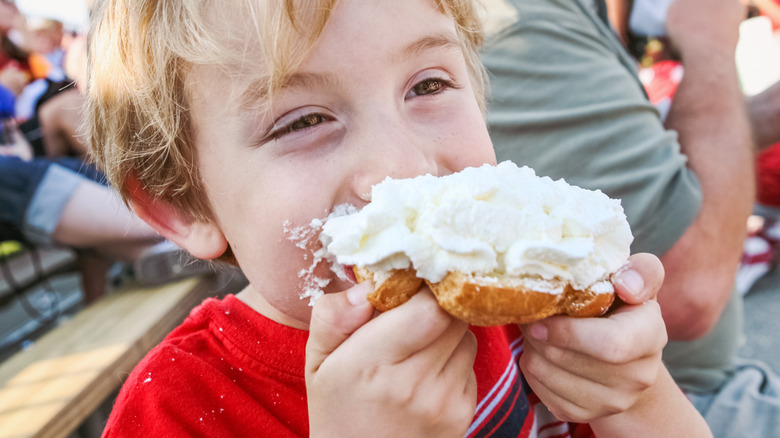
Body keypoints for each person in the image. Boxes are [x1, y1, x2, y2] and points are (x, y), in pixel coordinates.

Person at [86, 0, 712, 436]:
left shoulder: (522, 300)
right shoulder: (175, 409)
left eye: (428, 86)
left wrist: (634, 393)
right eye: (303, 120)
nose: (404, 166)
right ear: (180, 205)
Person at [480, 0, 779, 436]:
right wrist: (710, 44)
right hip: (686, 392)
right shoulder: (518, 23)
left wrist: (754, 118)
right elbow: (690, 294)